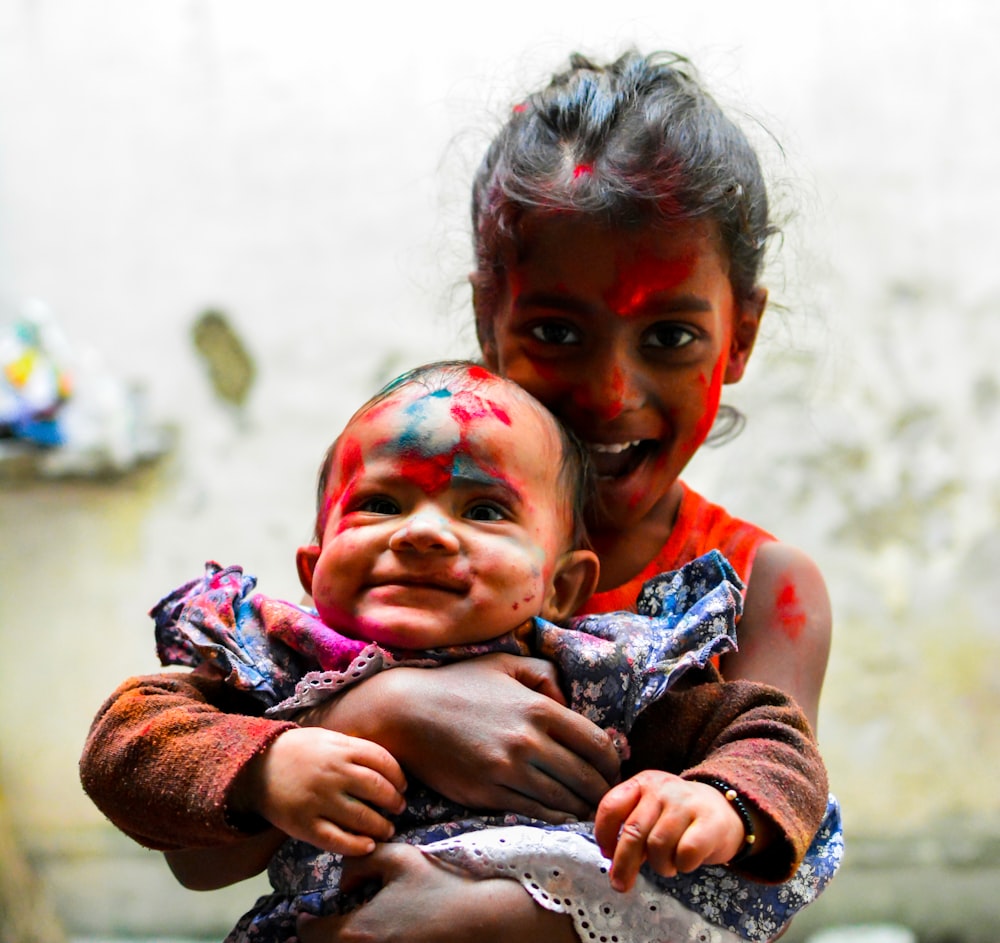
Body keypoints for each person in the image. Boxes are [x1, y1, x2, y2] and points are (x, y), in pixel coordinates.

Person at [80, 49, 838, 942]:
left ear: (740, 335)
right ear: (490, 317)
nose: (608, 392)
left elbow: (764, 874)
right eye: (556, 330)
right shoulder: (387, 559)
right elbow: (198, 857)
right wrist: (371, 713)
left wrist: (481, 918)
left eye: (670, 335)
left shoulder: (758, 592)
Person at [148, 361, 832, 942]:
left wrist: (715, 801)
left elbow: (768, 730)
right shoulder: (280, 666)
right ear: (314, 564)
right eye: (381, 502)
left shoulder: (593, 676)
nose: (422, 533)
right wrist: (275, 759)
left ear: (562, 585)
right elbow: (134, 738)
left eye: (482, 511)